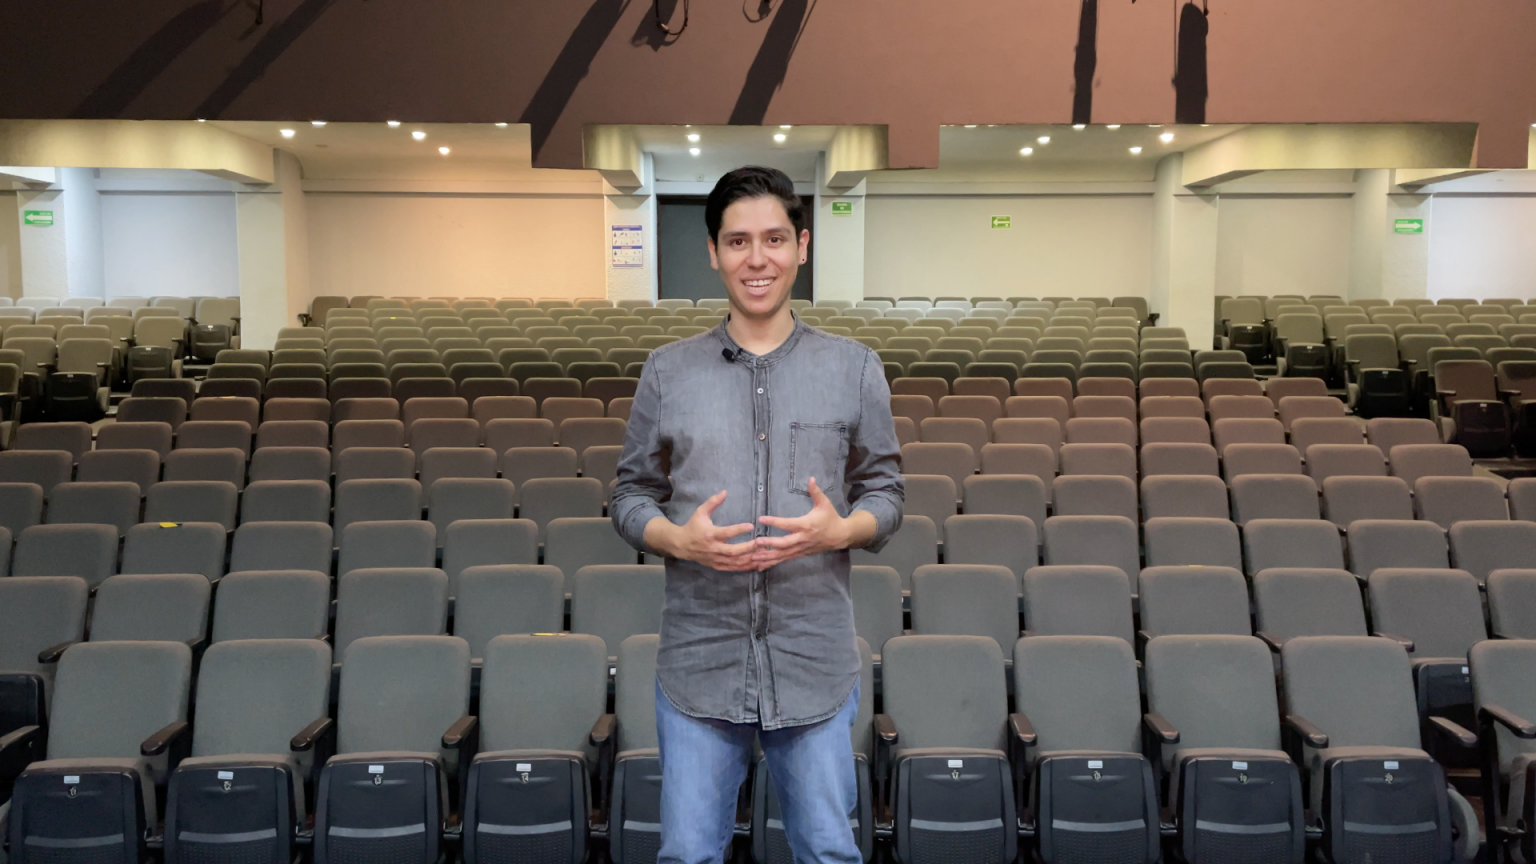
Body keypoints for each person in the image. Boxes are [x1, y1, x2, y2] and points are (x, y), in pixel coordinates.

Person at [610, 165, 904, 864]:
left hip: (813, 660)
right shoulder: (668, 372)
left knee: (828, 853)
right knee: (687, 856)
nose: (757, 258)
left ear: (801, 246)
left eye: (774, 239)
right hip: (700, 660)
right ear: (713, 252)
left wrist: (843, 531)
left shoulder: (855, 368)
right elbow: (628, 497)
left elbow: (887, 494)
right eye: (738, 241)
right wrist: (676, 539)